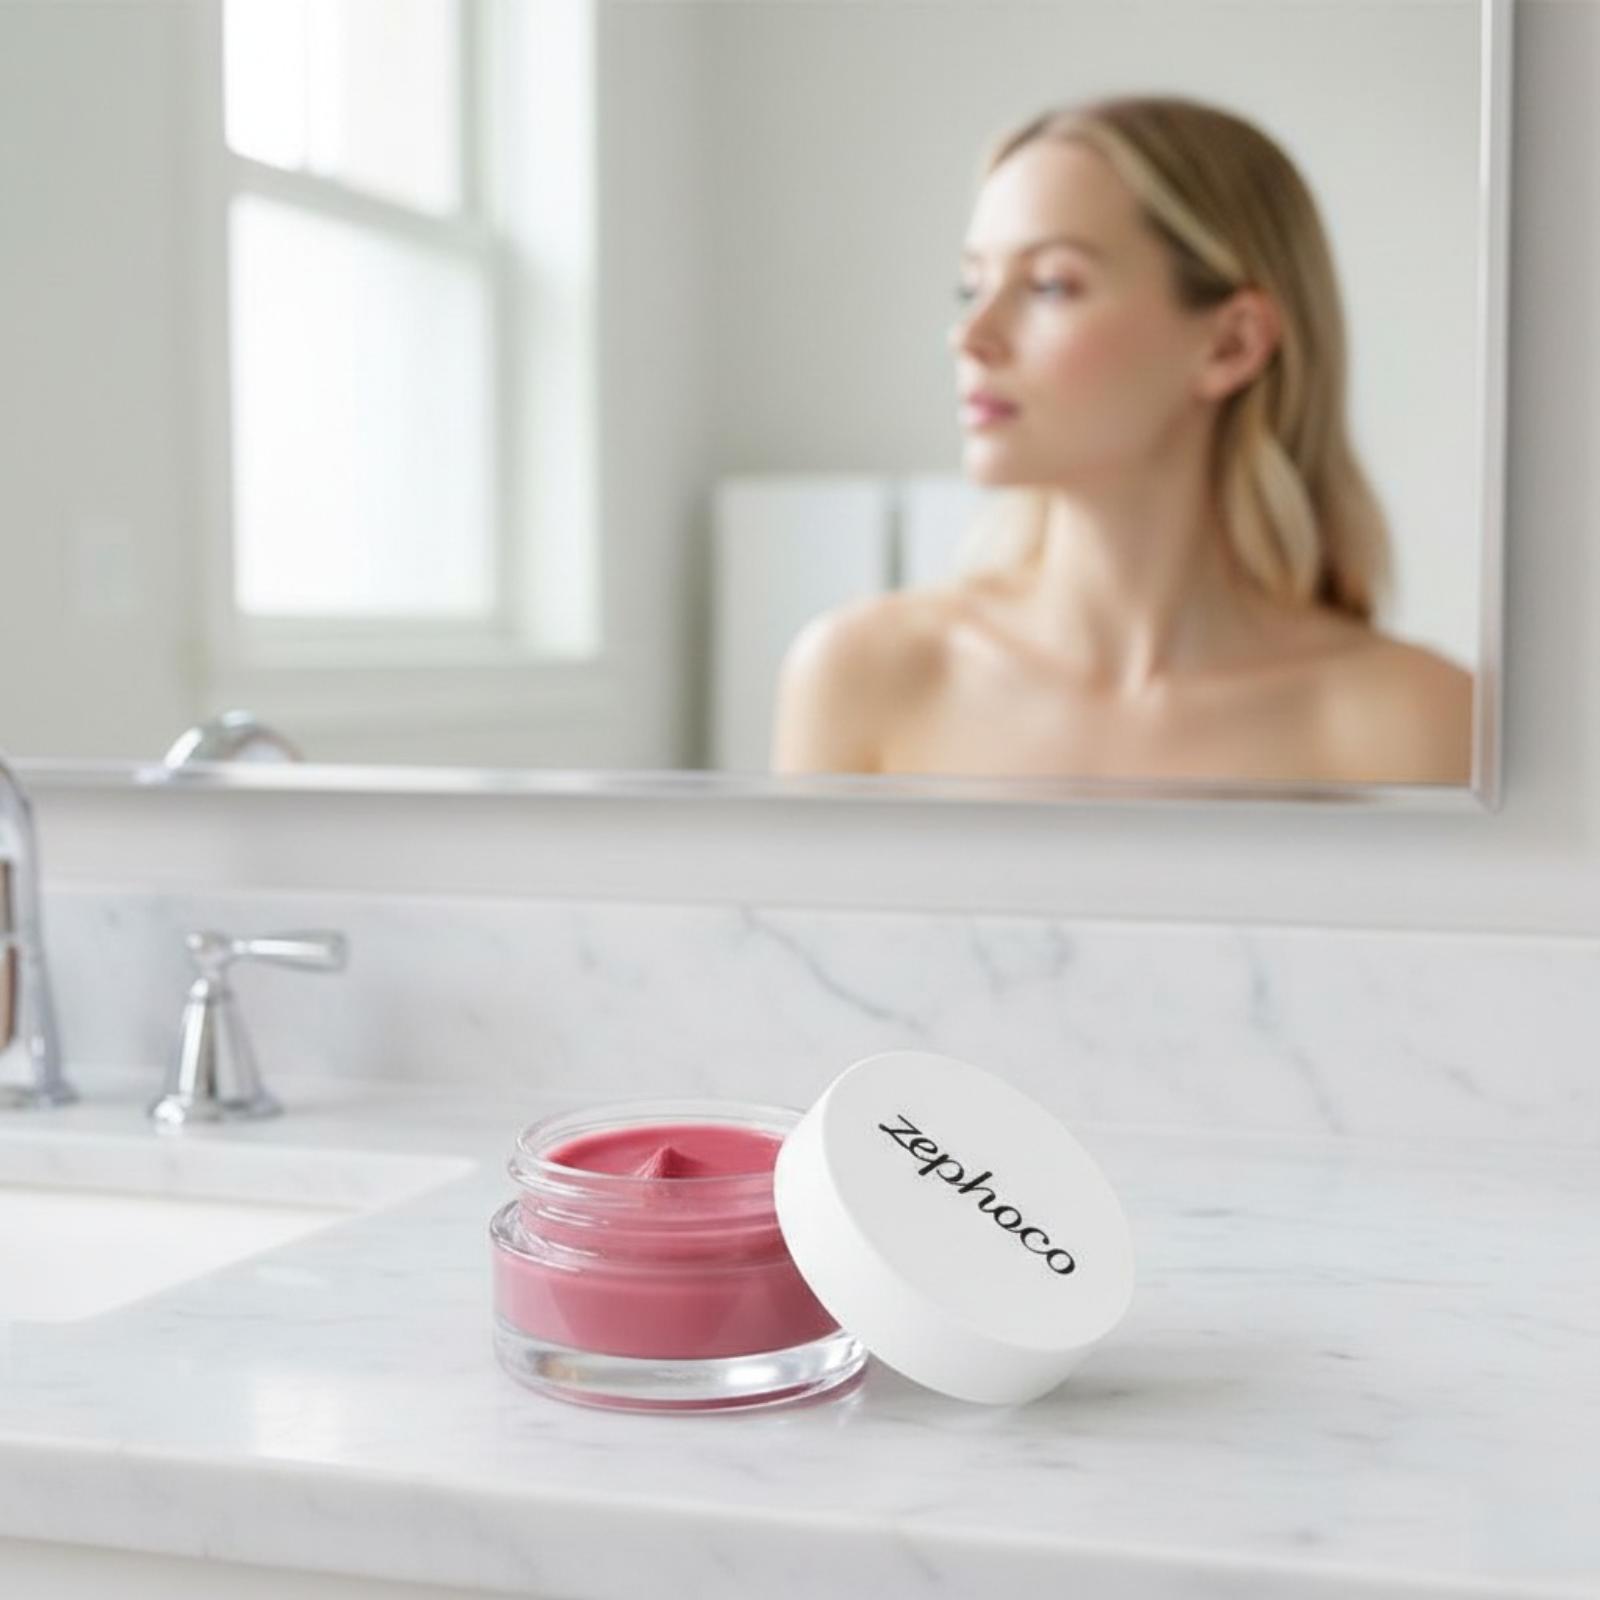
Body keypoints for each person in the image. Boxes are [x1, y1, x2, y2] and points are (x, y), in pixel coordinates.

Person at [771, 95, 1473, 785]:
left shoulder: (1419, 721)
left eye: (1050, 285)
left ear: (1231, 344)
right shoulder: (863, 676)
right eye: (971, 287)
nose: (971, 335)